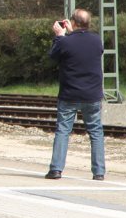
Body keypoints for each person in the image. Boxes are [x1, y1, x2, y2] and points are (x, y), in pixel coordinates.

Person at [45, 9, 105, 180]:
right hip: (92, 95)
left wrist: (59, 35)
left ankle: (56, 169)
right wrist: (71, 33)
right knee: (96, 132)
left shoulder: (65, 42)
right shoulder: (97, 40)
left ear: (74, 23)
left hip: (69, 95)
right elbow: (83, 47)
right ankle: (99, 172)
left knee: (63, 130)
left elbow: (53, 55)